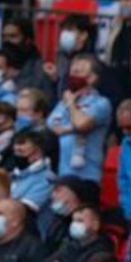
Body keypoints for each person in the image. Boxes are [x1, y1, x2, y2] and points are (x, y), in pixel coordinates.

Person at [48, 55, 113, 183]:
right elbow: (51, 124)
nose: (74, 75)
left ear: (92, 78)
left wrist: (71, 106)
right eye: (72, 71)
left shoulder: (100, 103)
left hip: (87, 175)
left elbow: (81, 124)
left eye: (80, 72)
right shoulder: (64, 101)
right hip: (63, 172)